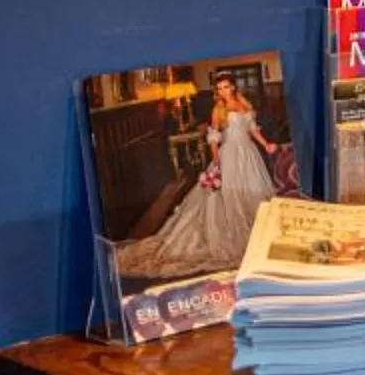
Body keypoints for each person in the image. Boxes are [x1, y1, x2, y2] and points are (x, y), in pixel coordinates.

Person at [112, 71, 282, 284]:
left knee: (256, 192)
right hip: (229, 154)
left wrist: (265, 144)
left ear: (233, 87)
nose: (223, 91)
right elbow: (213, 138)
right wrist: (217, 161)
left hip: (248, 153)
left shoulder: (244, 105)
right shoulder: (218, 109)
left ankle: (262, 235)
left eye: (226, 87)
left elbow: (252, 130)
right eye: (219, 88)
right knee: (229, 196)